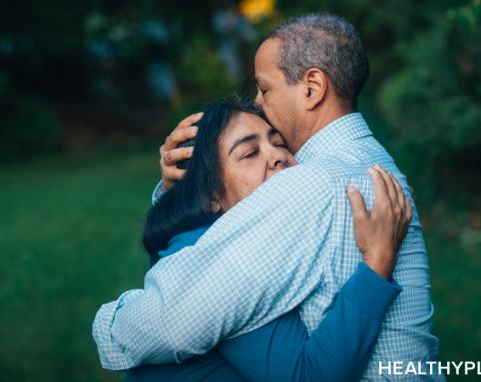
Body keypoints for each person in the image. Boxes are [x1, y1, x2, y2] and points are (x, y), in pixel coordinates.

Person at [94, 13, 442, 380]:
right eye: (249, 151)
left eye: (265, 88)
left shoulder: (310, 185)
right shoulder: (376, 167)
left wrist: (108, 323)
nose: (258, 103)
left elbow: (172, 321)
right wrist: (178, 188)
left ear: (311, 87)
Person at [124, 98, 410, 381]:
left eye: (280, 143)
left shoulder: (236, 237)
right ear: (211, 196)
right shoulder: (224, 264)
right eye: (250, 153)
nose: (277, 155)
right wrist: (377, 262)